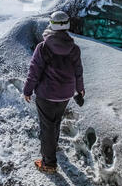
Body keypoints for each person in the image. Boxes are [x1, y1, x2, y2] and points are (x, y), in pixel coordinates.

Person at [23, 11, 85, 174]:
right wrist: (79, 89)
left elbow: (34, 72)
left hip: (47, 95)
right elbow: (78, 71)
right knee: (55, 121)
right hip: (65, 94)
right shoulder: (74, 48)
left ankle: (49, 163)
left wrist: (27, 90)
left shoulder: (43, 47)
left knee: (47, 127)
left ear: (52, 25)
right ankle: (52, 146)